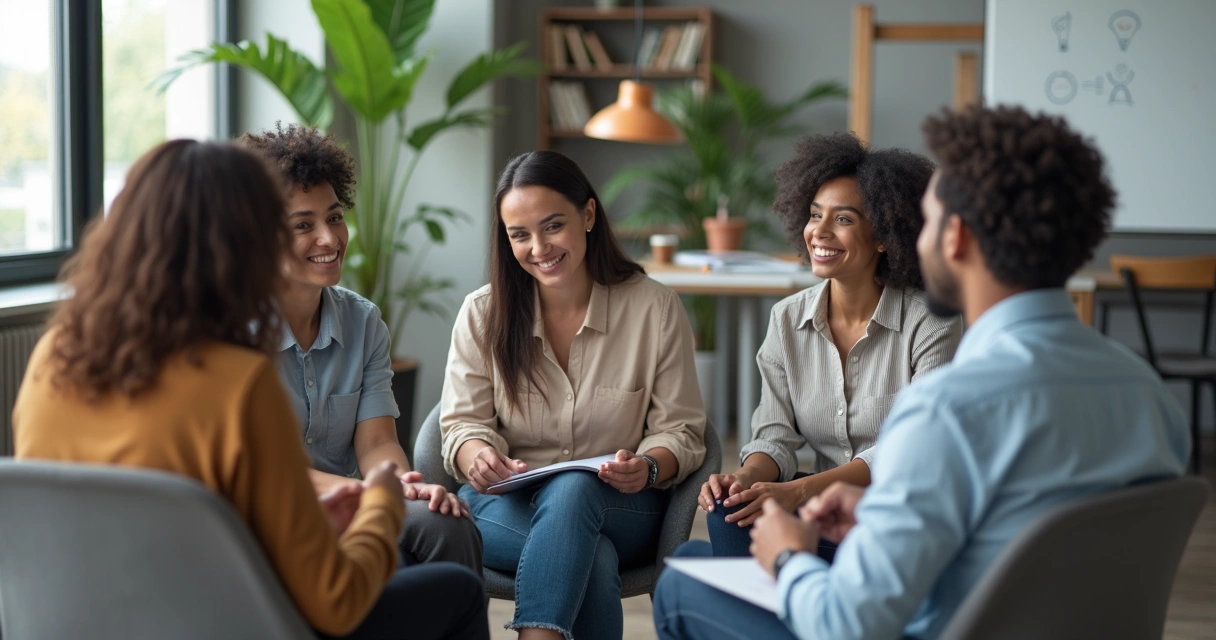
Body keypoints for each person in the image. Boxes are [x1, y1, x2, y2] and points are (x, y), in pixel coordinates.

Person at [653, 105, 1191, 640]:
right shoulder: (1149, 394)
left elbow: (847, 625)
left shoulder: (947, 409)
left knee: (685, 584)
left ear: (954, 238)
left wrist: (790, 558)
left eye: (926, 221)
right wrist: (877, 508)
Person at [12, 139, 489, 640]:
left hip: (78, 621)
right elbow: (336, 603)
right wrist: (381, 504)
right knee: (457, 590)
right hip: (218, 621)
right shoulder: (237, 381)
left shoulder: (53, 356)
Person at [440, 150, 708, 640]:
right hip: (509, 508)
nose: (538, 247)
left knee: (576, 489)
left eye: (552, 226)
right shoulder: (482, 313)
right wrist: (476, 454)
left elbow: (682, 431)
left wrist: (647, 466)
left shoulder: (655, 309)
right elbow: (461, 424)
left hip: (623, 506)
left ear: (587, 215)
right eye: (519, 235)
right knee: (592, 554)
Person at [697, 133, 962, 560]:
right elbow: (774, 436)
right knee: (730, 512)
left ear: (883, 235)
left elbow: (912, 447)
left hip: (902, 519)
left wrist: (797, 491)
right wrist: (746, 479)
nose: (819, 232)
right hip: (822, 515)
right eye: (815, 214)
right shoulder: (786, 319)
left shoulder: (930, 321)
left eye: (843, 219)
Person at [241, 123, 482, 572]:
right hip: (265, 516)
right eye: (303, 225)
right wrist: (372, 495)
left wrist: (402, 484)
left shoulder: (363, 320)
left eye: (334, 217)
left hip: (351, 504)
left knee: (446, 524)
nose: (330, 239)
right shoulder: (234, 333)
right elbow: (262, 470)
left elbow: (376, 444)